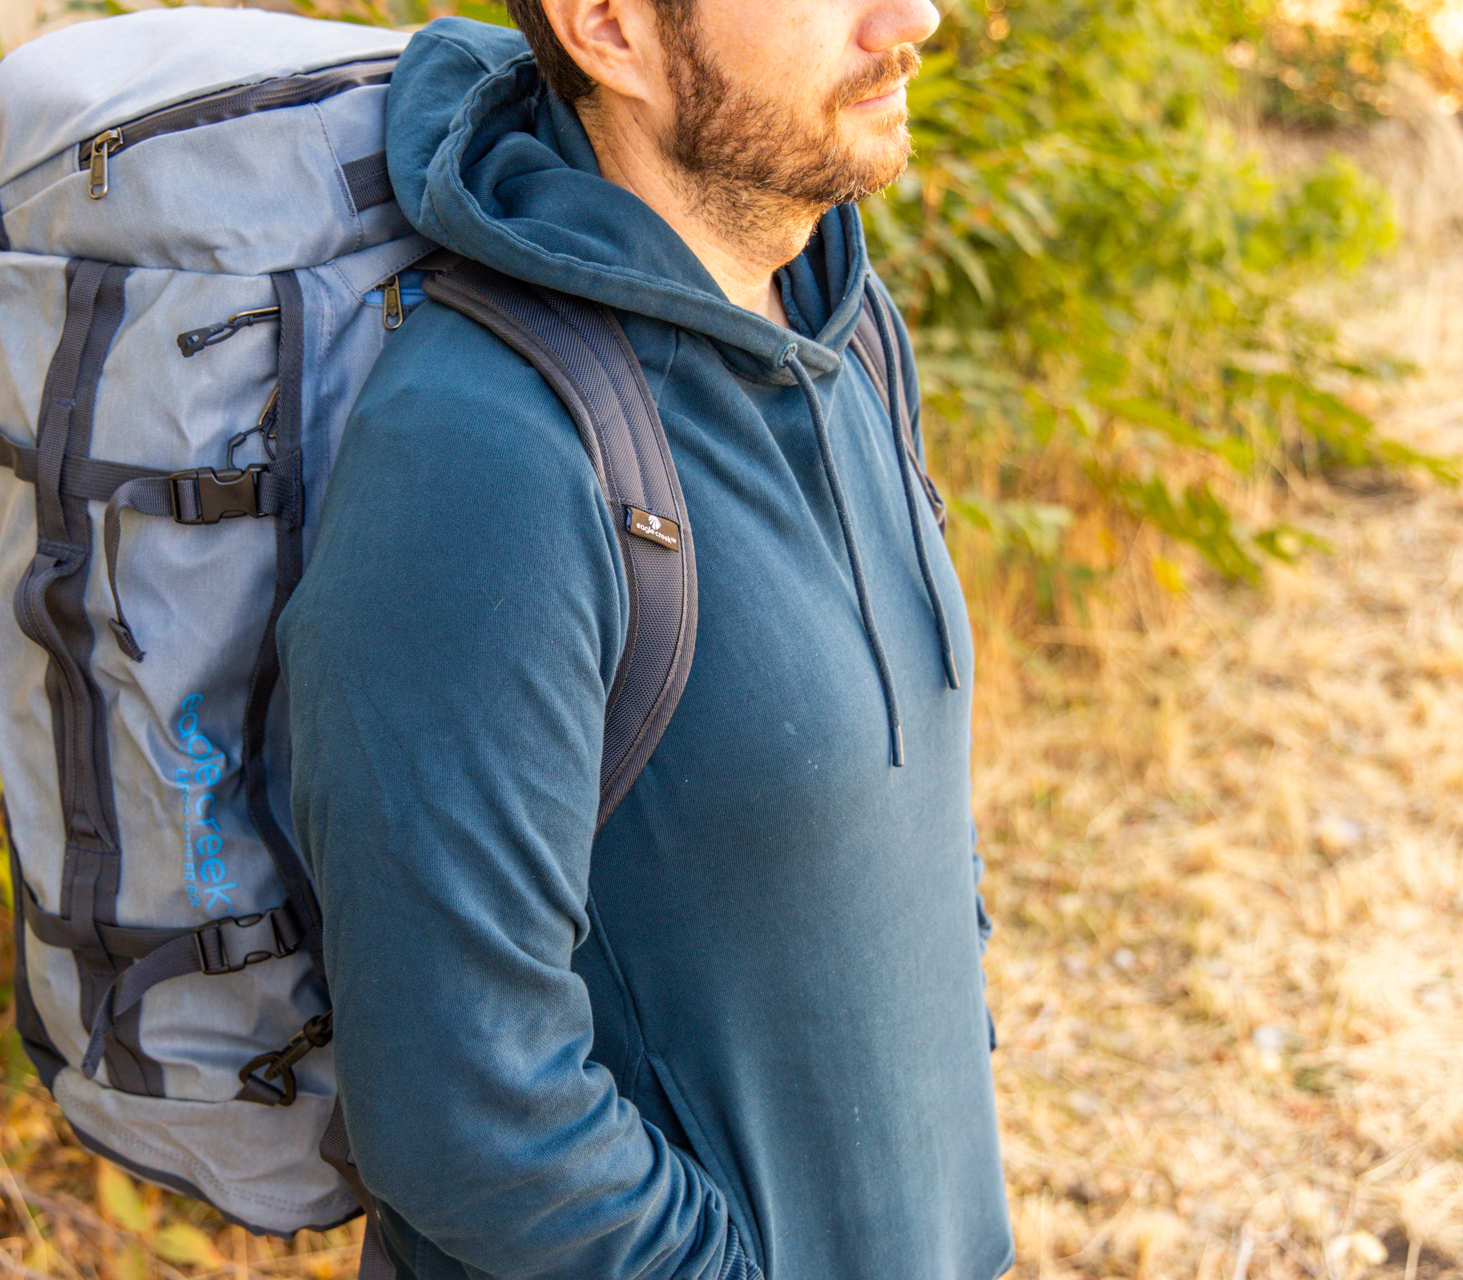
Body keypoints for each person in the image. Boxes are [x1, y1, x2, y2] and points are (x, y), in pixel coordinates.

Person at [277, 0, 1013, 1276]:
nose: (913, 18)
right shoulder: (486, 450)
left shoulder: (842, 328)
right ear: (610, 28)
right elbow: (466, 1114)